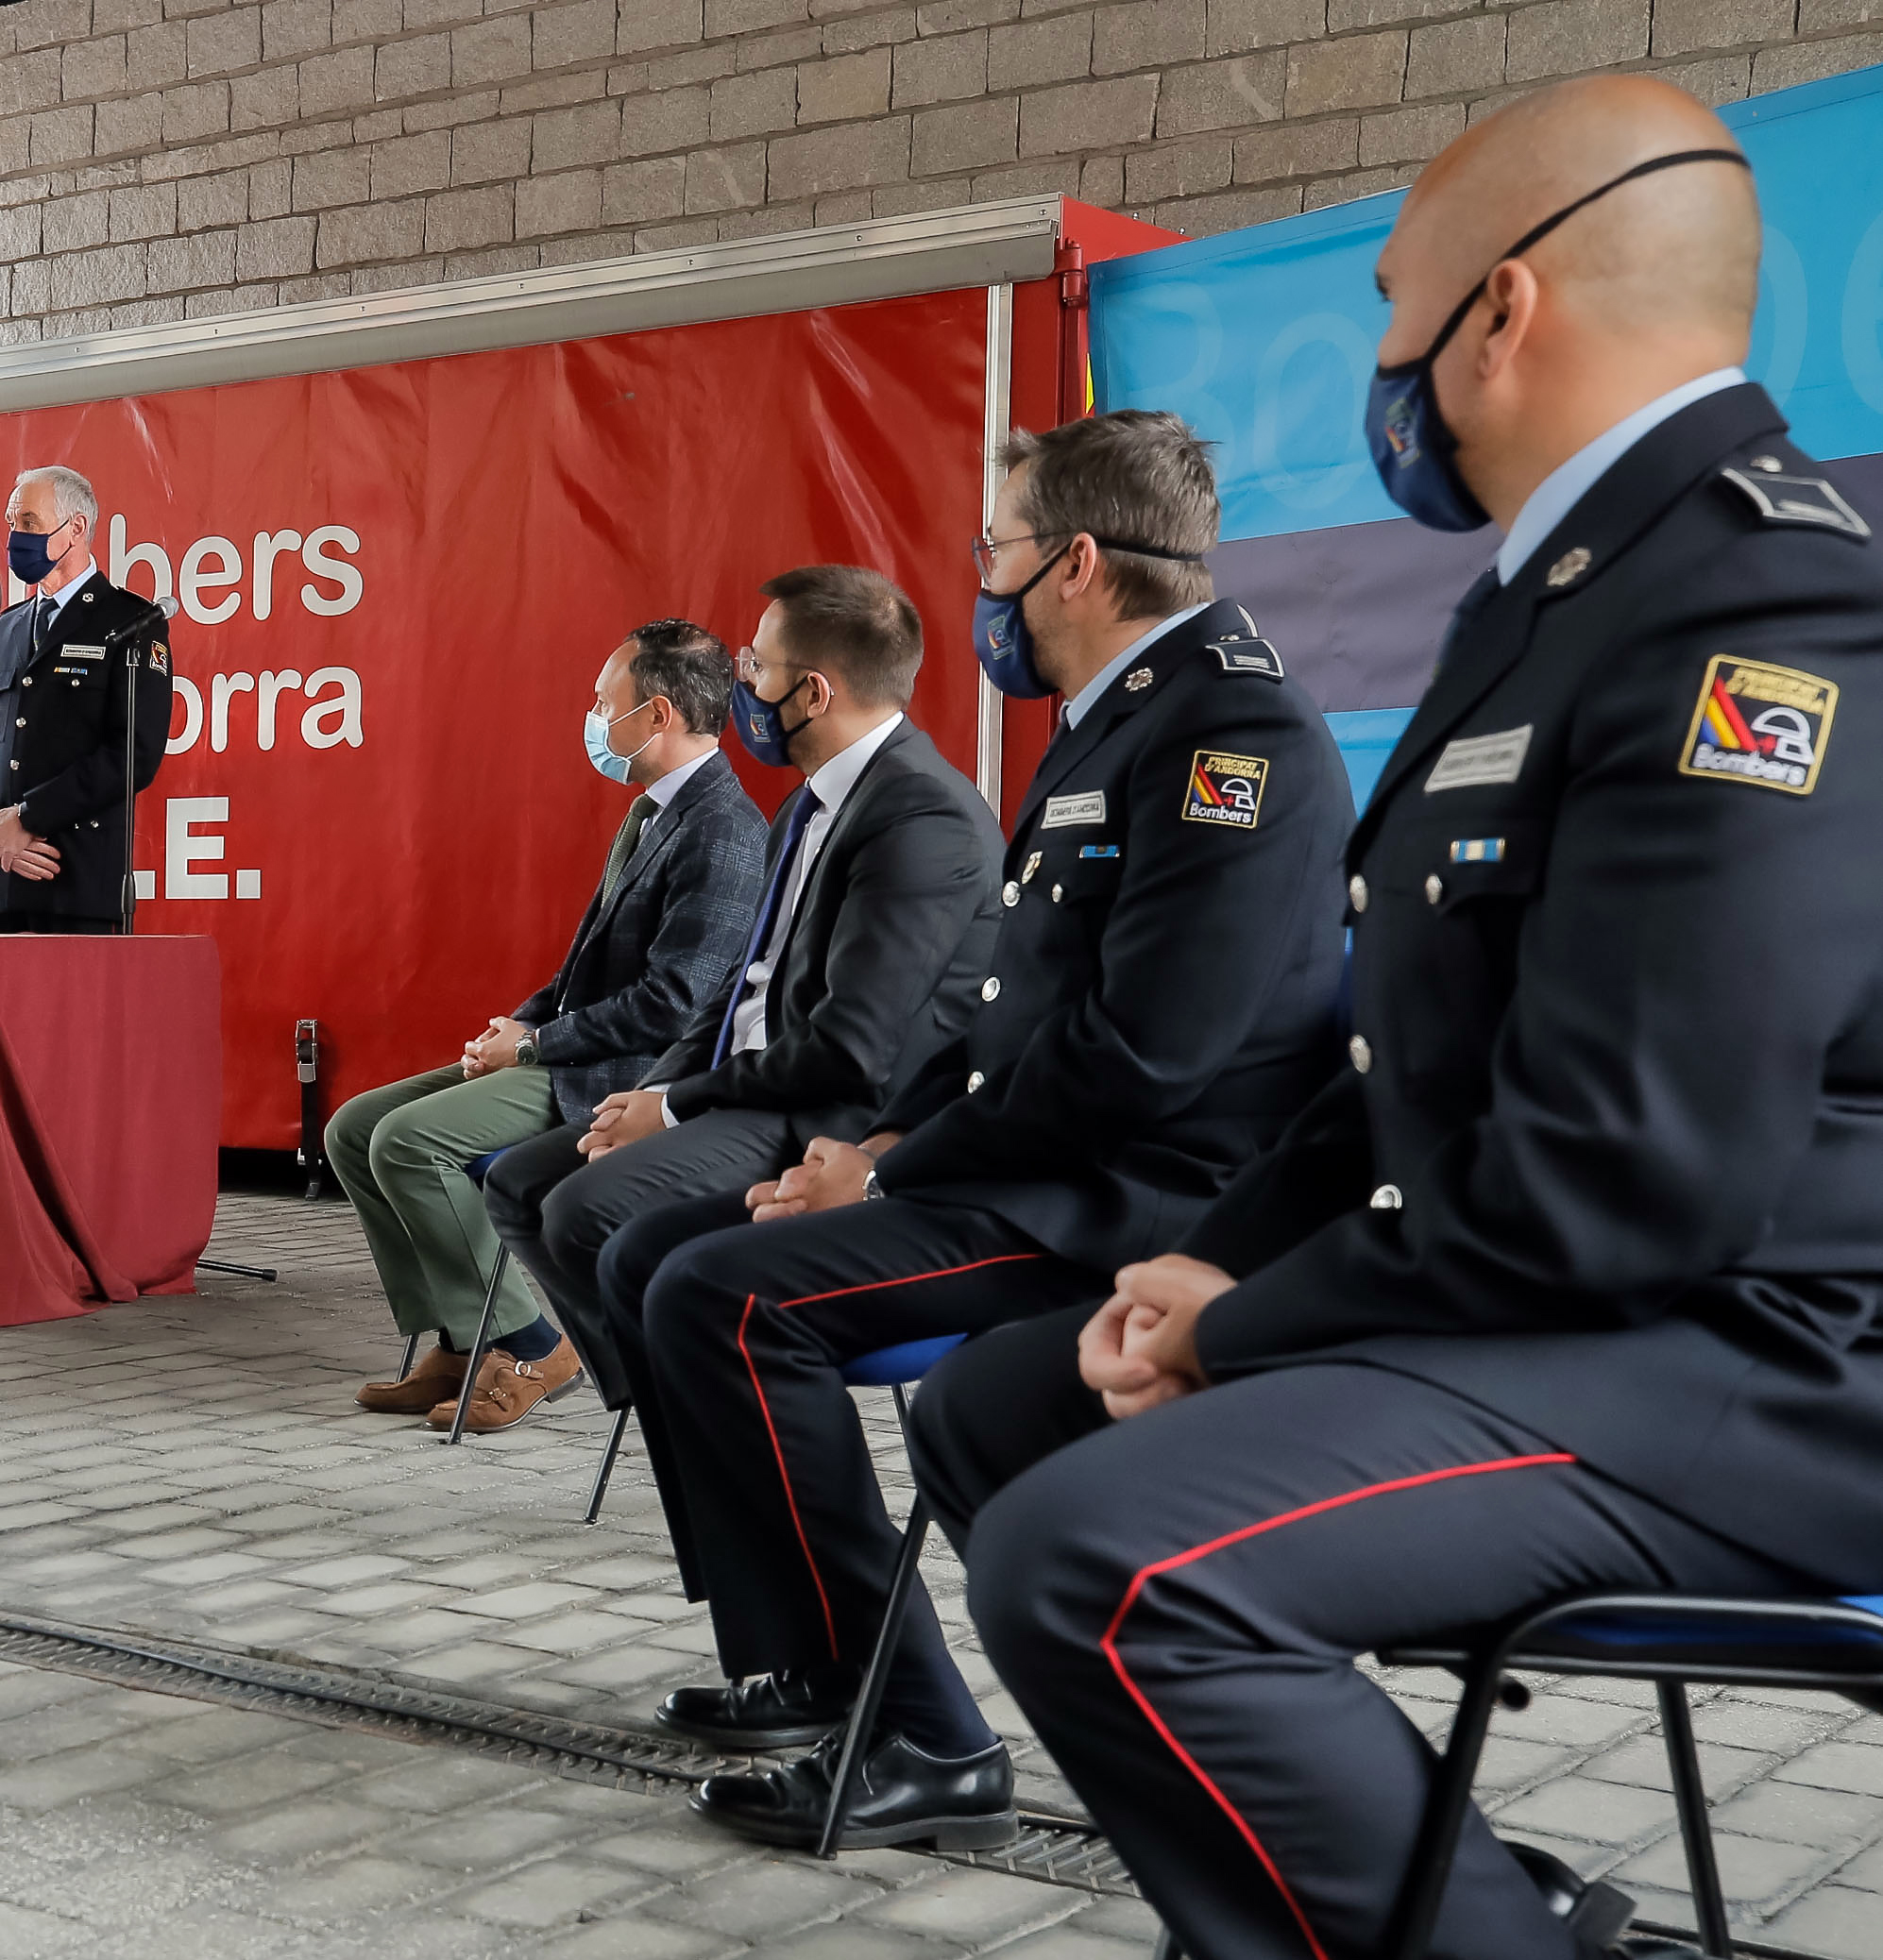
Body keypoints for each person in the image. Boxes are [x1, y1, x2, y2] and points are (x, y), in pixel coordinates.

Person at [922, 78, 1844, 1960]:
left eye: (1392, 321)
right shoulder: (1568, 592)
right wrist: (1201, 1268)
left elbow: (1628, 1169)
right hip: (1565, 1295)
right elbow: (1397, 1067)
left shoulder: (1771, 600)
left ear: (1503, 307)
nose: (1382, 380)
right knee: (1001, 1410)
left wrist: (1252, 1334)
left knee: (1105, 1568)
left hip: (1755, 1351)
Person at [618, 412, 1349, 1856]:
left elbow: (1144, 1054)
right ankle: (813, 1679)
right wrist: (873, 1135)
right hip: (1038, 1162)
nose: (983, 588)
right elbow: (1013, 1012)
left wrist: (885, 1163)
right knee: (659, 1245)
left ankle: (917, 1736)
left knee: (723, 1298)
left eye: (993, 554)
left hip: (1135, 1201)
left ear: (1075, 563)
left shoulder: (1230, 731)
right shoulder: (1118, 722)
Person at [485, 567, 998, 1411]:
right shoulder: (811, 805)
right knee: (518, 1185)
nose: (744, 689)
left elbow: (847, 1049)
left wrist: (678, 1104)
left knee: (582, 1213)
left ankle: (703, 1407)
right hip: (749, 1086)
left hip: (825, 1115)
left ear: (814, 691)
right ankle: (671, 1397)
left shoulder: (919, 818)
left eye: (757, 669)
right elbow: (741, 988)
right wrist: (650, 1093)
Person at [331, 620, 766, 1431]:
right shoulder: (654, 812)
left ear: (659, 714)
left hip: (623, 1072)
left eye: (606, 702)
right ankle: (467, 1342)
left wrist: (532, 1047)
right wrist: (520, 1020)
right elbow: (585, 966)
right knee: (354, 1129)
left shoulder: (724, 829)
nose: (593, 717)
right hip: (571, 1046)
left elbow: (671, 1004)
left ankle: (532, 1342)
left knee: (408, 1143)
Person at [0, 465, 172, 931]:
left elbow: (135, 752)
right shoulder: (5, 629)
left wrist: (28, 818)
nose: (15, 536)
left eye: (29, 522)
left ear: (76, 529)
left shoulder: (132, 623)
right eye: (12, 523)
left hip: (76, 883)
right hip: (1, 884)